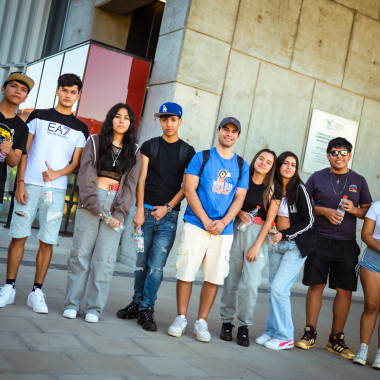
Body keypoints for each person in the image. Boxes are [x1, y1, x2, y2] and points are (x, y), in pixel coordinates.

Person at [0, 73, 88, 313]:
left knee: (47, 240)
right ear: (57, 91)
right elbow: (23, 150)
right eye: (65, 90)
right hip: (29, 185)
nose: (68, 95)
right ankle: (9, 287)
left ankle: (37, 291)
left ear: (78, 96)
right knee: (19, 235)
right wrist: (19, 182)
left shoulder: (81, 128)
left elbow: (76, 163)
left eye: (73, 92)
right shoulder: (38, 115)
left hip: (56, 192)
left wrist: (57, 174)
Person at [168, 116, 249, 343]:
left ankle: (201, 322)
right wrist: (205, 219)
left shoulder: (242, 164)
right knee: (186, 271)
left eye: (234, 131)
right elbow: (189, 189)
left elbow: (240, 198)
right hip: (196, 223)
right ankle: (181, 317)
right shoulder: (201, 157)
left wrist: (223, 222)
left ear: (238, 136)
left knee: (213, 277)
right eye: (226, 129)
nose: (229, 134)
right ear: (218, 131)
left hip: (223, 231)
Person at [116, 102, 195, 331]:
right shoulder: (150, 146)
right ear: (160, 121)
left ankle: (147, 309)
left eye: (172, 119)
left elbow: (186, 186)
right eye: (164, 119)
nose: (168, 123)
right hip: (146, 212)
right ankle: (137, 303)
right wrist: (140, 210)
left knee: (156, 267)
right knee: (140, 263)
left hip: (168, 218)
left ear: (180, 121)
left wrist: (167, 208)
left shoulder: (187, 151)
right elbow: (140, 179)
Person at [63, 103, 141, 323]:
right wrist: (94, 204)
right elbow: (86, 174)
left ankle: (94, 309)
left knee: (105, 260)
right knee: (80, 255)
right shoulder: (95, 141)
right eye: (118, 116)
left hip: (116, 203)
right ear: (111, 119)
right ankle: (72, 304)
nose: (122, 121)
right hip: (91, 201)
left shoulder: (134, 150)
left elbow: (131, 185)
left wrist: (120, 212)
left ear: (131, 123)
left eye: (127, 118)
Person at [296, 137, 372, 359]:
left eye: (343, 152)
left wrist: (355, 210)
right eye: (335, 152)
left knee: (345, 290)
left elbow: (369, 210)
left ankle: (336, 339)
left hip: (347, 243)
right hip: (319, 239)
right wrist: (324, 211)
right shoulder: (317, 177)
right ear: (328, 155)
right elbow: (304, 204)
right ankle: (309, 333)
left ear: (349, 156)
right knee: (316, 285)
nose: (339, 156)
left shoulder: (359, 180)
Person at [219, 148, 280, 347]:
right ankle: (227, 322)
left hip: (258, 236)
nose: (263, 163)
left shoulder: (273, 188)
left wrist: (256, 246)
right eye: (261, 158)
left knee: (251, 285)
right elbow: (231, 202)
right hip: (237, 230)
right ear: (255, 160)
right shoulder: (241, 178)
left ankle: (244, 326)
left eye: (269, 162)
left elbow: (271, 219)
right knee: (231, 280)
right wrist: (239, 214)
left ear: (272, 167)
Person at [255, 151, 316, 350]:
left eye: (293, 165)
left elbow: (310, 221)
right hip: (276, 243)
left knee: (280, 289)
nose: (289, 167)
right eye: (286, 163)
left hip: (295, 246)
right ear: (279, 165)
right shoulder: (273, 187)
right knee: (273, 288)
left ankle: (285, 336)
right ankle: (272, 331)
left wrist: (286, 234)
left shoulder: (300, 189)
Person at [0, 72, 34, 210]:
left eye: (23, 90)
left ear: (25, 97)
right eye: (14, 86)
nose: (18, 91)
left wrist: (9, 151)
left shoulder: (22, 128)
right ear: (3, 89)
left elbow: (14, 162)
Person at [352, 201, 380, 369]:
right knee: (371, 306)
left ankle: (379, 354)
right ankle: (363, 350)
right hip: (372, 260)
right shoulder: (377, 206)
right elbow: (366, 234)